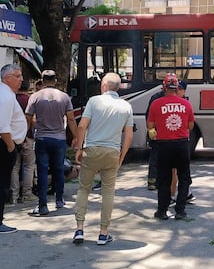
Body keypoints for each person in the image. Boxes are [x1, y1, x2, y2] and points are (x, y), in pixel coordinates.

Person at [72, 72, 134, 245]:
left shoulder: (94, 101)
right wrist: (122, 156)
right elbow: (128, 135)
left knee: (84, 189)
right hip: (112, 151)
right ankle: (103, 232)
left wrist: (79, 147)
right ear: (118, 87)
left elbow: (82, 125)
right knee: (108, 191)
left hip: (92, 149)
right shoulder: (126, 106)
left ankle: (79, 229)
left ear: (104, 86)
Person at [26, 69, 78, 216]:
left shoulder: (35, 97)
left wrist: (24, 135)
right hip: (59, 139)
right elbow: (72, 119)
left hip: (42, 138)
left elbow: (28, 118)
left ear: (42, 81)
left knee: (42, 171)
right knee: (59, 169)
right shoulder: (64, 97)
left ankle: (42, 205)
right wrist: (76, 137)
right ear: (55, 81)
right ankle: (59, 199)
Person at [0, 64, 27, 234]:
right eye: (18, 76)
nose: (21, 79)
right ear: (7, 78)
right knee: (2, 183)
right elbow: (2, 125)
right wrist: (10, 146)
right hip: (2, 142)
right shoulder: (5, 96)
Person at [147, 74, 195, 220]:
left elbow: (150, 126)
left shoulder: (156, 104)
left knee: (164, 179)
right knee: (184, 178)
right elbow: (190, 126)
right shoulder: (186, 104)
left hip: (163, 145)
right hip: (181, 145)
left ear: (164, 87)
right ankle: (180, 211)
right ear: (177, 88)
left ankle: (162, 211)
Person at [10, 80, 35, 205]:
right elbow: (33, 120)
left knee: (15, 167)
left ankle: (14, 195)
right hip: (27, 137)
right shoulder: (29, 100)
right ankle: (27, 194)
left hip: (12, 137)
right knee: (29, 166)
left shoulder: (11, 99)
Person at [144, 85, 165, 190]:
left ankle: (157, 181)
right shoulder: (156, 98)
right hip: (159, 132)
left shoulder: (156, 98)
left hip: (165, 132)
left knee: (157, 157)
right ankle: (152, 181)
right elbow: (149, 116)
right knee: (155, 157)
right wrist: (151, 129)